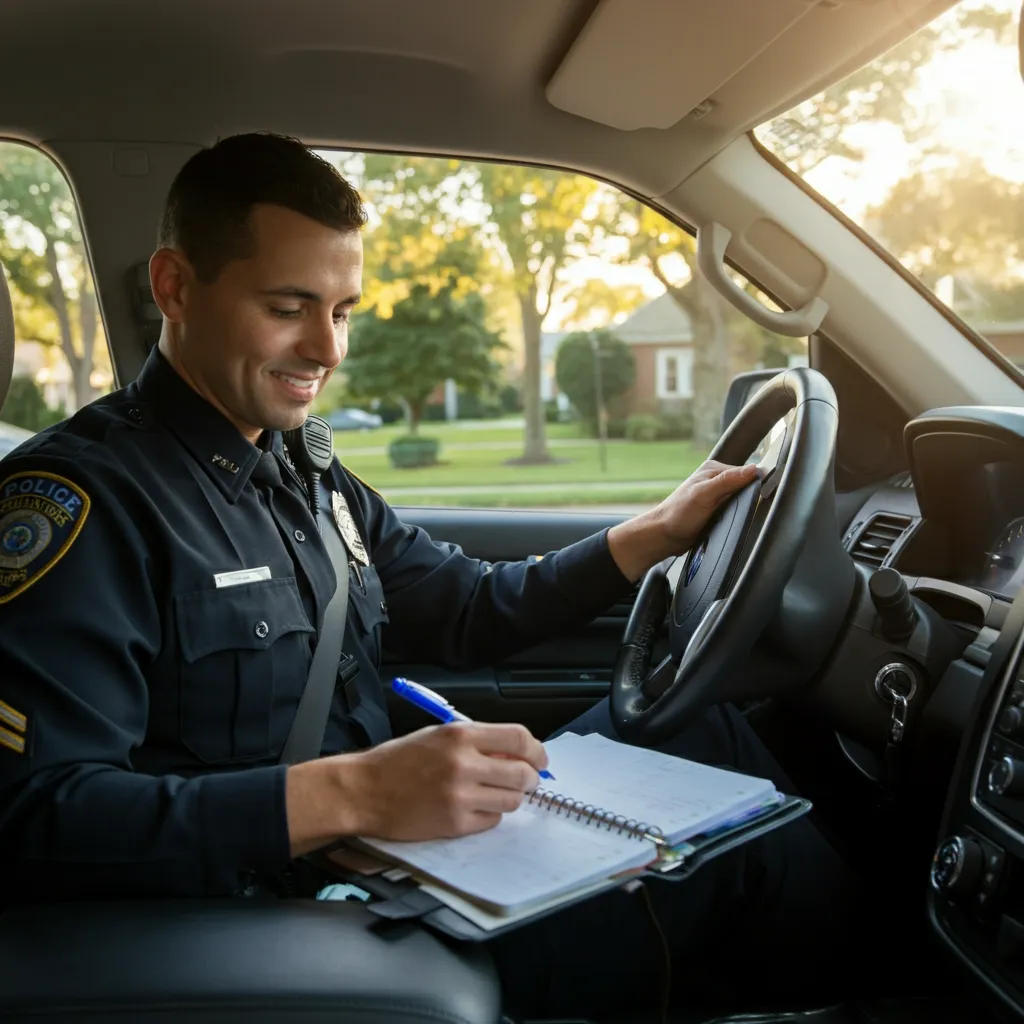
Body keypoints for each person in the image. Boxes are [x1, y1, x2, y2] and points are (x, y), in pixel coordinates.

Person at [0, 133, 864, 1020]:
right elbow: (35, 815)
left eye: (342, 310)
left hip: (398, 867)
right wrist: (354, 793)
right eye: (289, 306)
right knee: (752, 853)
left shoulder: (305, 470)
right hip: (278, 926)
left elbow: (469, 607)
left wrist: (651, 534)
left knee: (709, 736)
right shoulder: (83, 503)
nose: (326, 349)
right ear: (175, 287)